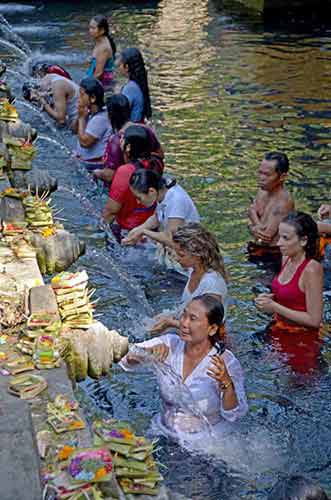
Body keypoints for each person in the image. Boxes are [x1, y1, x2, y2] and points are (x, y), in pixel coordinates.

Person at [120, 294, 248, 440]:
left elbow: (234, 414)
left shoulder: (226, 362)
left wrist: (225, 383)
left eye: (192, 319)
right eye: (183, 315)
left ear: (212, 329)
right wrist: (146, 354)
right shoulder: (169, 344)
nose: (184, 323)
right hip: (163, 431)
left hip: (207, 443)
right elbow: (123, 356)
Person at [255, 212, 323, 373]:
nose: (278, 243)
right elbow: (288, 294)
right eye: (279, 237)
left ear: (303, 240)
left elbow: (314, 320)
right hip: (278, 330)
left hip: (302, 340)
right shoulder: (286, 258)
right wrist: (269, 299)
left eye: (285, 238)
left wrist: (275, 307)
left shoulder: (312, 269)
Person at [150, 223, 228, 335]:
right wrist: (171, 315)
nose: (176, 258)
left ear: (197, 255)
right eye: (175, 252)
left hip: (209, 342)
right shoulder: (193, 270)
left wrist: (170, 323)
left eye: (181, 255)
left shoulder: (212, 284)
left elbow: (206, 326)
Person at [102, 124, 163, 240]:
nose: (120, 140)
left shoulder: (125, 172)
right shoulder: (157, 163)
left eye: (122, 138)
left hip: (129, 233)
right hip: (152, 230)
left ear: (128, 147)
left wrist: (98, 229)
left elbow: (111, 212)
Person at [93, 94, 163, 185]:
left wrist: (97, 173)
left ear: (110, 115)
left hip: (127, 186)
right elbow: (160, 154)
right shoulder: (145, 130)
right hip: (148, 182)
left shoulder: (116, 140)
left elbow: (110, 176)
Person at [122, 170, 200, 248]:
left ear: (151, 191)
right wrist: (139, 229)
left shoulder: (177, 200)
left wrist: (143, 232)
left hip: (189, 250)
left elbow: (171, 240)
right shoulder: (162, 190)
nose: (137, 202)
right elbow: (157, 216)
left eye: (139, 198)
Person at [247, 151, 294, 264]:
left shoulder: (282, 203)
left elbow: (265, 238)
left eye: (267, 175)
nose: (261, 178)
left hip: (273, 255)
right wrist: (256, 225)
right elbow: (251, 210)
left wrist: (253, 226)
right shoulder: (263, 190)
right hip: (256, 249)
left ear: (282, 177)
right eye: (260, 173)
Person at [74, 76, 111, 170]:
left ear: (93, 98)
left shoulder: (101, 118)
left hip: (94, 165)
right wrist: (80, 115)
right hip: (84, 161)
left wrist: (82, 118)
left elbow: (85, 142)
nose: (79, 98)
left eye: (82, 95)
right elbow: (74, 130)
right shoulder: (90, 112)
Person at [27, 64, 79, 130]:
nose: (41, 92)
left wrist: (42, 101)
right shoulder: (56, 80)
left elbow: (61, 119)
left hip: (81, 127)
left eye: (39, 90)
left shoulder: (58, 86)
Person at [119, 48, 151, 123]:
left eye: (120, 63)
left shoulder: (130, 88)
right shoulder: (139, 84)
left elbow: (120, 114)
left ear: (126, 67)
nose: (118, 66)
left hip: (131, 127)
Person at [87, 15, 116, 90]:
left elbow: (98, 73)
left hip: (103, 83)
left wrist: (86, 86)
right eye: (90, 27)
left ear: (102, 30)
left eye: (93, 28)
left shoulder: (103, 48)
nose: (90, 30)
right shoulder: (100, 39)